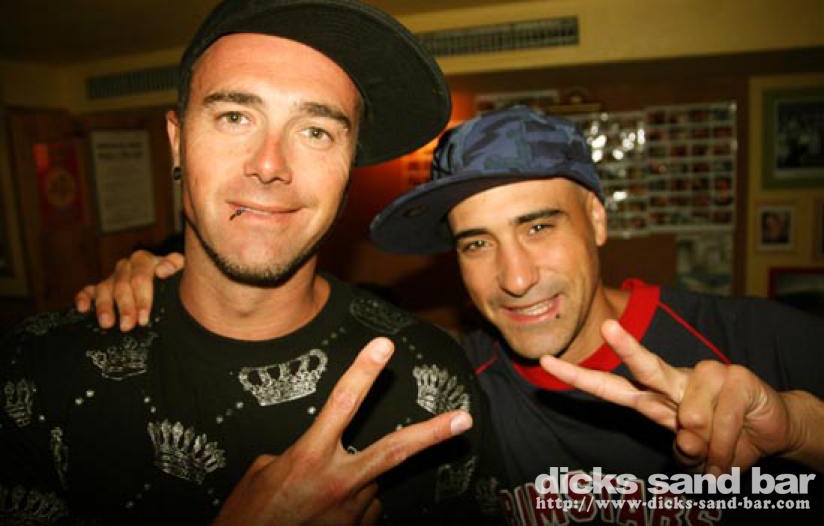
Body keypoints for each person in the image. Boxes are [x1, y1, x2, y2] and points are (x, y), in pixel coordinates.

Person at [91, 106, 824, 525]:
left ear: (596, 220)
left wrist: (797, 429)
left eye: (539, 226)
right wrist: (180, 283)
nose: (515, 277)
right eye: (477, 242)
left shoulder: (756, 339)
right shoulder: (446, 389)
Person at [1, 0, 502, 524]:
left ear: (348, 168)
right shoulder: (38, 370)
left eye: (315, 131)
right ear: (177, 141)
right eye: (235, 117)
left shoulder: (430, 376)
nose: (269, 165)